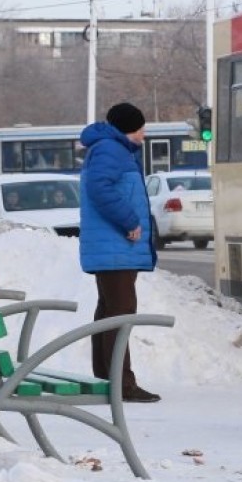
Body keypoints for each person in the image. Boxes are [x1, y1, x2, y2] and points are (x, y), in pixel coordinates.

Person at [78, 102, 160, 403]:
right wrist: (129, 221)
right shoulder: (111, 150)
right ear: (128, 128)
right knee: (120, 311)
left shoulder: (110, 148)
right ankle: (121, 384)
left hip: (112, 248)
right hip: (115, 247)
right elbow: (100, 188)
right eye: (140, 128)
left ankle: (106, 376)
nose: (143, 134)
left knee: (109, 310)